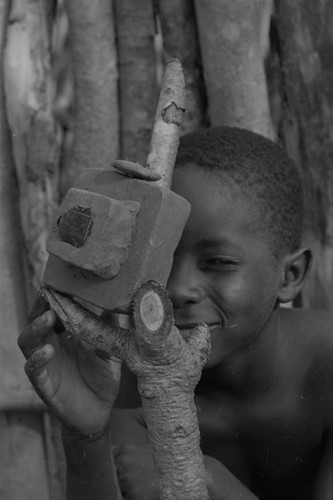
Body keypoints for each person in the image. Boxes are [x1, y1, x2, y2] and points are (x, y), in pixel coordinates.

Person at [18, 127, 332, 500]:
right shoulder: (133, 382)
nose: (176, 289)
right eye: (161, 261)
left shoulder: (326, 368)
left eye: (217, 262)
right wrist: (85, 435)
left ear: (290, 276)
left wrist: (208, 479)